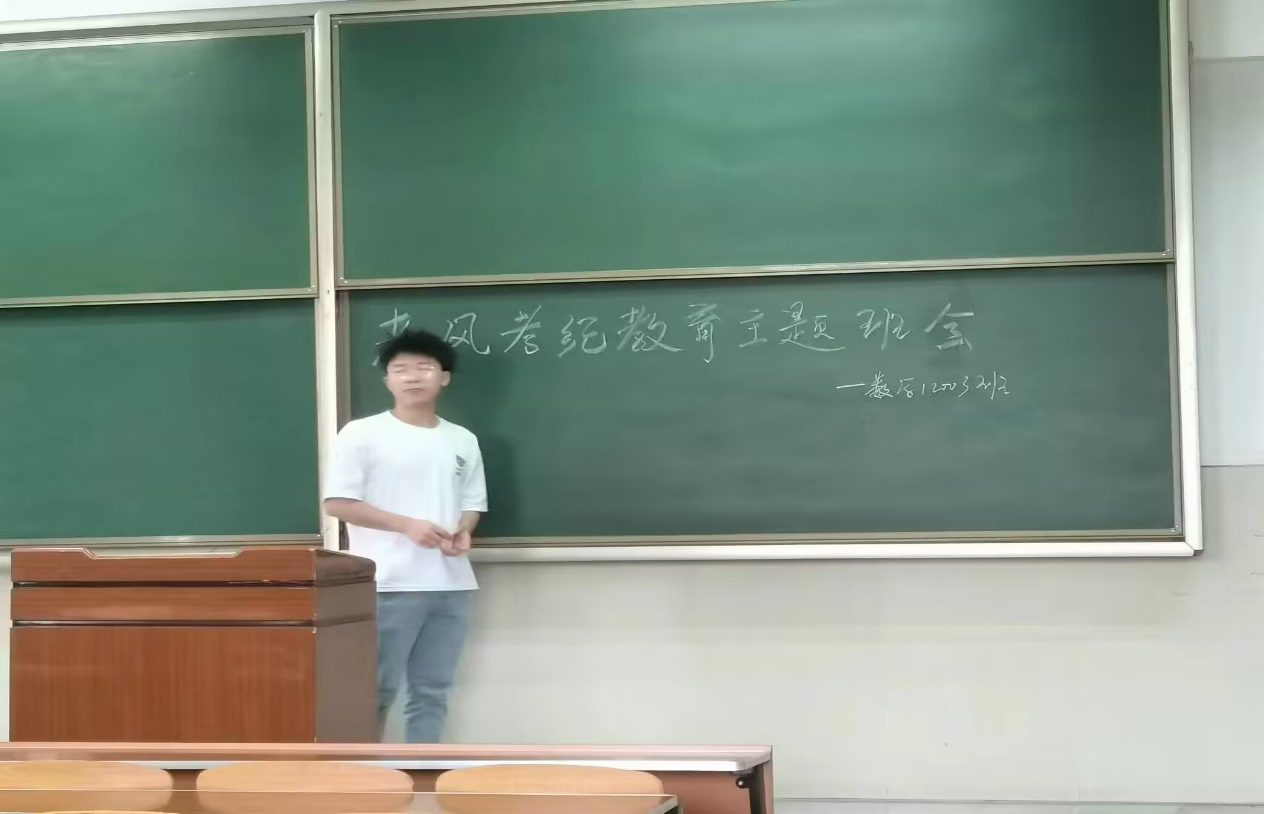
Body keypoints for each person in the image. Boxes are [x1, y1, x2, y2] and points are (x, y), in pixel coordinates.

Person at [322, 328, 487, 743]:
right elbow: (338, 503)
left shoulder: (462, 439)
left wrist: (464, 532)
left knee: (433, 693)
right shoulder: (361, 433)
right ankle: (362, 774)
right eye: (401, 369)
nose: (412, 376)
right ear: (387, 380)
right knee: (375, 692)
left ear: (443, 377)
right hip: (388, 583)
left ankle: (422, 771)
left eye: (424, 367)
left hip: (452, 586)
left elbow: (472, 504)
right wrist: (407, 525)